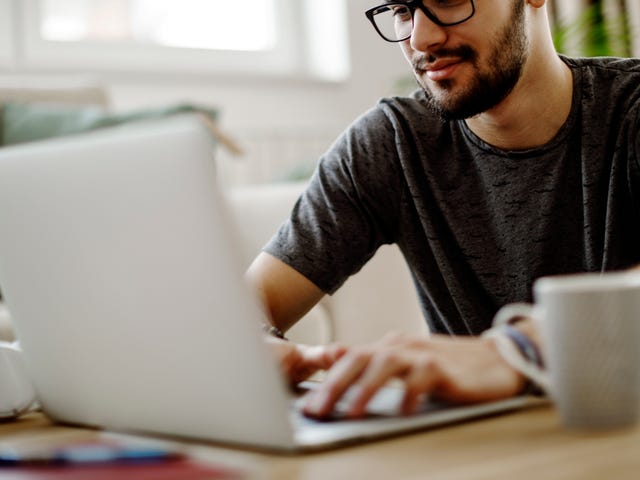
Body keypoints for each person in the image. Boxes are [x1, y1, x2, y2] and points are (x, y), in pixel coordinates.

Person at [246, 0, 640, 419]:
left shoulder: (629, 111)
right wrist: (252, 343)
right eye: (402, 10)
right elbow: (252, 300)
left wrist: (516, 351)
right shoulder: (393, 143)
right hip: (480, 449)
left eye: (449, 1)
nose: (421, 38)